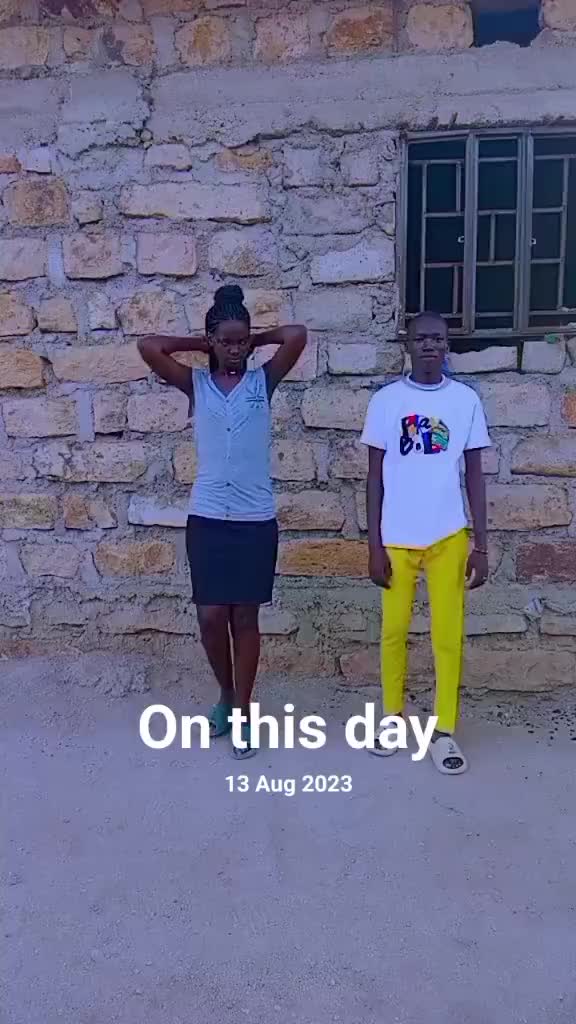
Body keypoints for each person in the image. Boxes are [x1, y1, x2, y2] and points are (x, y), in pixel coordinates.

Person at [138, 285, 307, 760]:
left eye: (241, 341)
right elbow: (149, 346)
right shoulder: (195, 384)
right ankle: (226, 696)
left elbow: (296, 335)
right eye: (226, 341)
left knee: (245, 618)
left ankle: (245, 711)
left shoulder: (263, 382)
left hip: (255, 519)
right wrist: (203, 344)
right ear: (212, 340)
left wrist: (254, 341)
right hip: (209, 517)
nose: (235, 349)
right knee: (211, 616)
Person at [360, 312, 491, 774]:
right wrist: (374, 545)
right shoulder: (386, 401)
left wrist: (481, 545)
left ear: (447, 345)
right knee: (393, 632)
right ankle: (392, 718)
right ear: (408, 345)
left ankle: (444, 731)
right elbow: (374, 478)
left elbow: (474, 476)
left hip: (447, 537)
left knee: (446, 638)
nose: (430, 345)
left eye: (437, 338)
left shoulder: (465, 400)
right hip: (396, 539)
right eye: (421, 339)